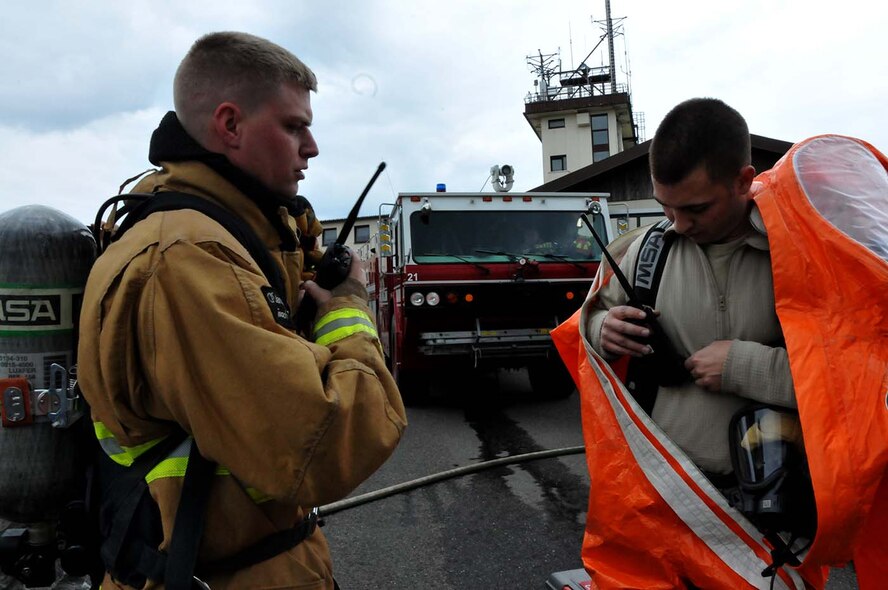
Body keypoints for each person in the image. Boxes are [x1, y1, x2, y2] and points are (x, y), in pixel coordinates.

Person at [78, 31, 406, 590]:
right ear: (230, 125)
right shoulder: (185, 261)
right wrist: (348, 312)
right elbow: (325, 446)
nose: (312, 146)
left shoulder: (228, 233)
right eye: (293, 125)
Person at [585, 97, 796, 486]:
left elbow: (854, 376)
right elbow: (587, 327)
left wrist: (745, 368)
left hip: (783, 497)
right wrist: (603, 329)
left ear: (743, 181)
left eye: (696, 209)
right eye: (666, 207)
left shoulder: (800, 254)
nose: (679, 225)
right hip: (667, 492)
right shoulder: (643, 251)